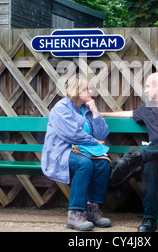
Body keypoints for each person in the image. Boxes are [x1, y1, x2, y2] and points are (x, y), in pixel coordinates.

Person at [101, 72, 158, 232]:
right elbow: (128, 114)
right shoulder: (148, 108)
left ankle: (138, 156)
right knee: (150, 161)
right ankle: (150, 220)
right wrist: (100, 114)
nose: (145, 91)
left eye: (147, 87)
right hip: (157, 155)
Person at [41, 74, 111, 231]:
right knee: (84, 164)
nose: (91, 91)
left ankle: (93, 209)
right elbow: (71, 134)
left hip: (84, 150)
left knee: (103, 163)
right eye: (87, 89)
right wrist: (95, 142)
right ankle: (75, 213)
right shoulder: (61, 108)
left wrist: (95, 111)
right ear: (76, 90)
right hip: (62, 151)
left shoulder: (86, 108)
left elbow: (102, 134)